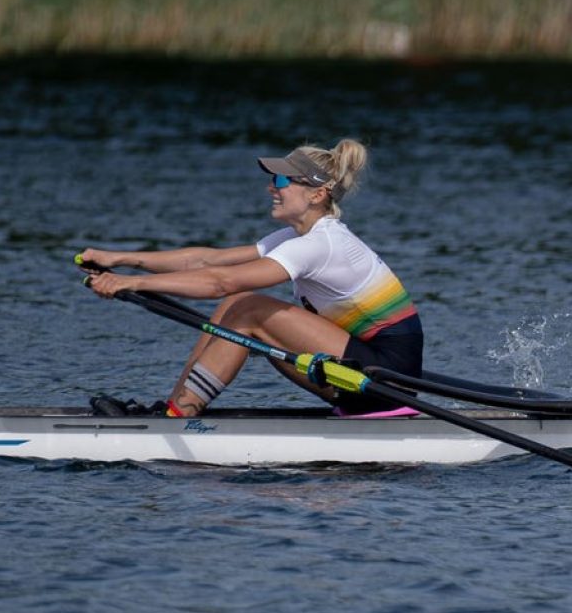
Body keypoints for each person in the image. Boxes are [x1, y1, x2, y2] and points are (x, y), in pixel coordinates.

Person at [78, 139, 422, 417]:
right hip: (356, 371)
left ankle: (178, 415)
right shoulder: (295, 238)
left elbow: (219, 282)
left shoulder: (321, 243)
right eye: (274, 179)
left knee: (248, 308)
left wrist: (131, 284)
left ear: (317, 195)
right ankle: (174, 408)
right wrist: (120, 259)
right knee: (236, 305)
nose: (272, 187)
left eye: (283, 180)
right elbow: (205, 260)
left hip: (385, 382)